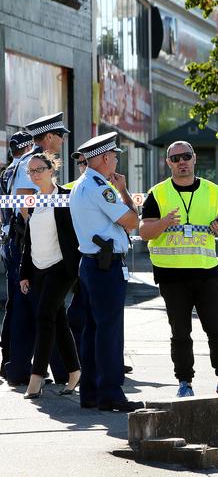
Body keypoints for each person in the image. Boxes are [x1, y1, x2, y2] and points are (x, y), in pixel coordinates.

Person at [139, 141, 218, 397]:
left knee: (217, 328)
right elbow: (144, 232)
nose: (181, 162)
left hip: (206, 271)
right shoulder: (158, 193)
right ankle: (185, 383)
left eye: (186, 156)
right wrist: (163, 222)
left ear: (194, 159)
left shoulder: (213, 191)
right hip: (171, 275)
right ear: (168, 163)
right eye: (175, 158)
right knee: (180, 332)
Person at [69, 132, 143, 412]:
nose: (115, 162)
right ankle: (111, 393)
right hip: (105, 266)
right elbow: (131, 221)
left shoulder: (82, 184)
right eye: (113, 157)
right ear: (103, 158)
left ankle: (91, 392)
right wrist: (124, 192)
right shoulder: (101, 187)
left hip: (90, 263)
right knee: (109, 332)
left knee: (92, 331)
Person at [2, 113, 70, 385]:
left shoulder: (22, 163)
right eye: (61, 136)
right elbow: (23, 201)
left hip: (20, 245)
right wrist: (43, 235)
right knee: (44, 309)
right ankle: (58, 370)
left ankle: (22, 370)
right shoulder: (36, 163)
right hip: (31, 247)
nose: (63, 141)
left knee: (29, 309)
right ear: (50, 137)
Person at [19, 153, 81, 398]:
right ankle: (75, 371)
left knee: (44, 317)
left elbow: (75, 232)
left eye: (39, 169)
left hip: (61, 268)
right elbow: (29, 239)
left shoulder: (66, 197)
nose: (34, 175)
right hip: (38, 268)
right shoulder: (31, 201)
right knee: (59, 320)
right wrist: (25, 273)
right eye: (31, 171)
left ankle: (36, 378)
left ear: (51, 169)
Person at [0, 131, 34, 381]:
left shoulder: (8, 170)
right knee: (21, 302)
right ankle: (14, 363)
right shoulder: (24, 168)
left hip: (8, 239)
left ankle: (8, 360)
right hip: (20, 240)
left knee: (13, 302)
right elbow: (26, 208)